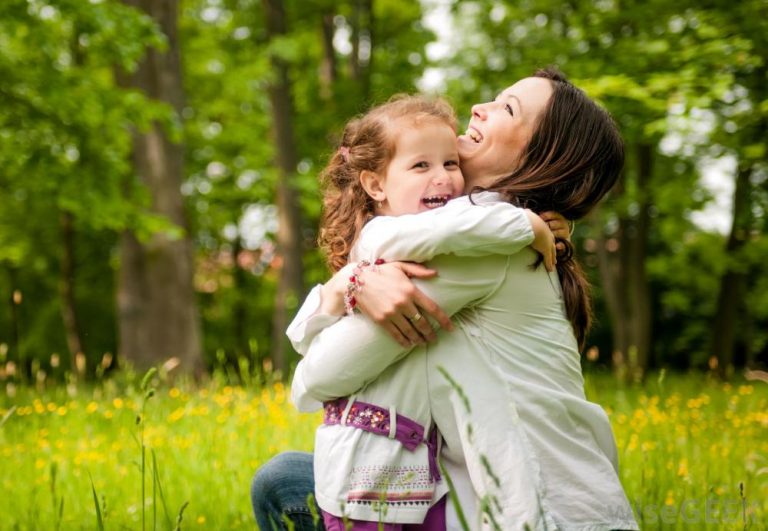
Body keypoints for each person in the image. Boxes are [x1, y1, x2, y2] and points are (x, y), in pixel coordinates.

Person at [252, 68, 639, 530]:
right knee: (288, 477)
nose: (480, 108)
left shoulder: (485, 246)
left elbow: (314, 381)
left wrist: (350, 284)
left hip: (551, 516)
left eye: (507, 109)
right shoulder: (495, 230)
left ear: (541, 157)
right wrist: (349, 282)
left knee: (281, 480)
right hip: (501, 497)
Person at [286, 95, 556, 531]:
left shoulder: (433, 238)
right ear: (376, 186)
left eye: (451, 164)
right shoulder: (390, 236)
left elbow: (463, 224)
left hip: (412, 469)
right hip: (363, 467)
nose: (444, 178)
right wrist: (527, 225)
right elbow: (306, 352)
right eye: (421, 166)